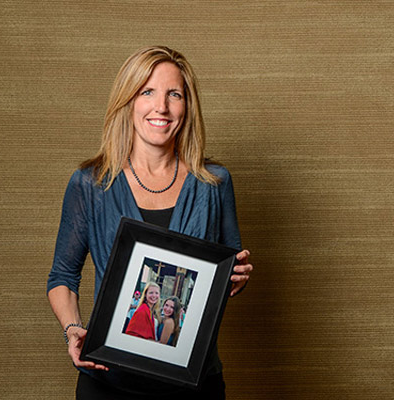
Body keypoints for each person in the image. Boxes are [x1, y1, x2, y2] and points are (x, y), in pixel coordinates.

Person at [46, 45, 254, 399]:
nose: (162, 107)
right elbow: (62, 277)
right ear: (128, 102)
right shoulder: (90, 184)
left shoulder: (214, 183)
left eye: (174, 94)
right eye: (148, 92)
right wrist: (73, 329)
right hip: (107, 382)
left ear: (187, 107)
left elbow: (225, 274)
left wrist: (236, 279)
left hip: (194, 383)